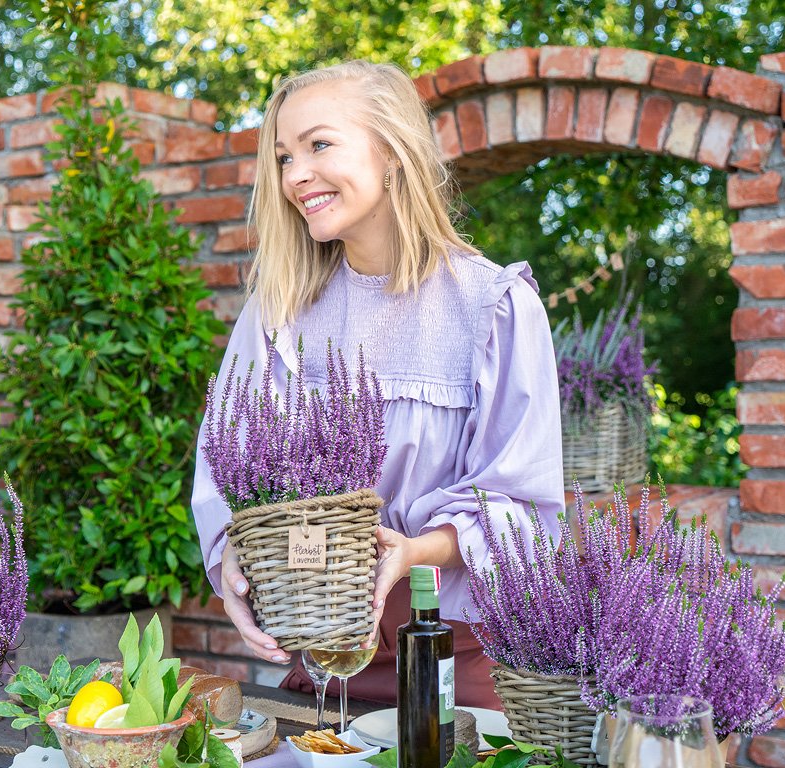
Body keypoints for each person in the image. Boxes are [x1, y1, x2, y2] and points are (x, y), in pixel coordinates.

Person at [190, 60, 565, 708]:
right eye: (284, 156)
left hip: (455, 658)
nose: (295, 175)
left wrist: (414, 550)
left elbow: (525, 510)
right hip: (323, 654)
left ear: (391, 152)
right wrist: (234, 561)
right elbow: (226, 475)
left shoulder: (491, 306)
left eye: (319, 144)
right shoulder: (277, 314)